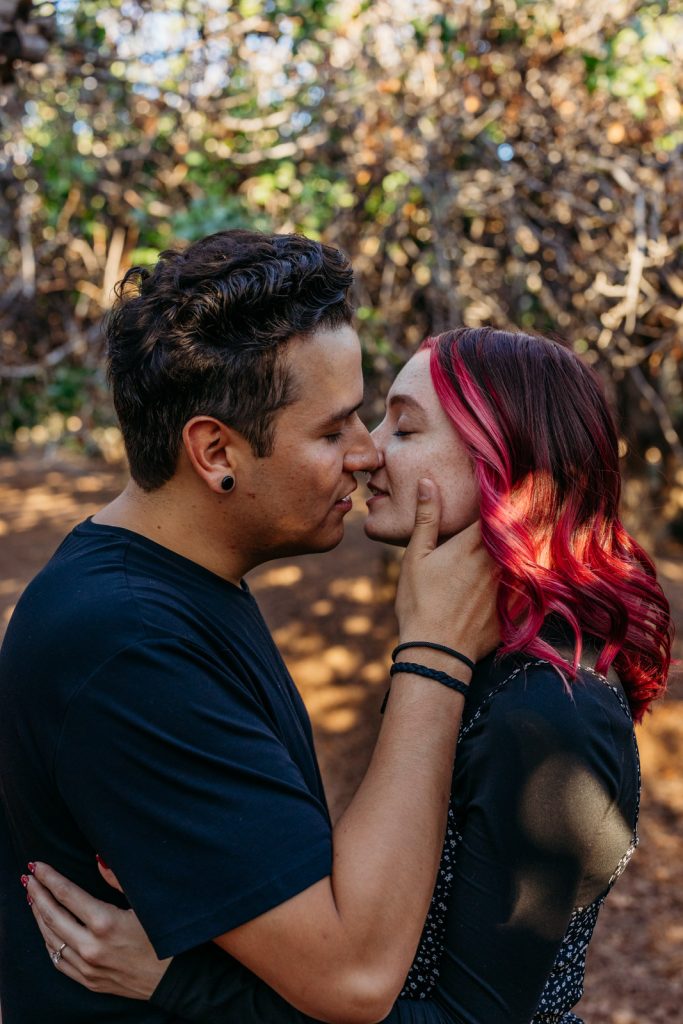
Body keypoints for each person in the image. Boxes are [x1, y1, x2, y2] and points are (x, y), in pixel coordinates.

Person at [23, 327, 672, 1024]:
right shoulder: (463, 661)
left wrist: (182, 982)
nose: (368, 454)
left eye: (404, 427)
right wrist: (211, 873)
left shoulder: (555, 715)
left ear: (504, 466)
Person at [0, 231, 498, 1024]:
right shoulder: (127, 646)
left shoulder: (180, 586)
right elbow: (356, 977)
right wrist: (433, 652)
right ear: (215, 451)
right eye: (332, 431)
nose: (367, 455)